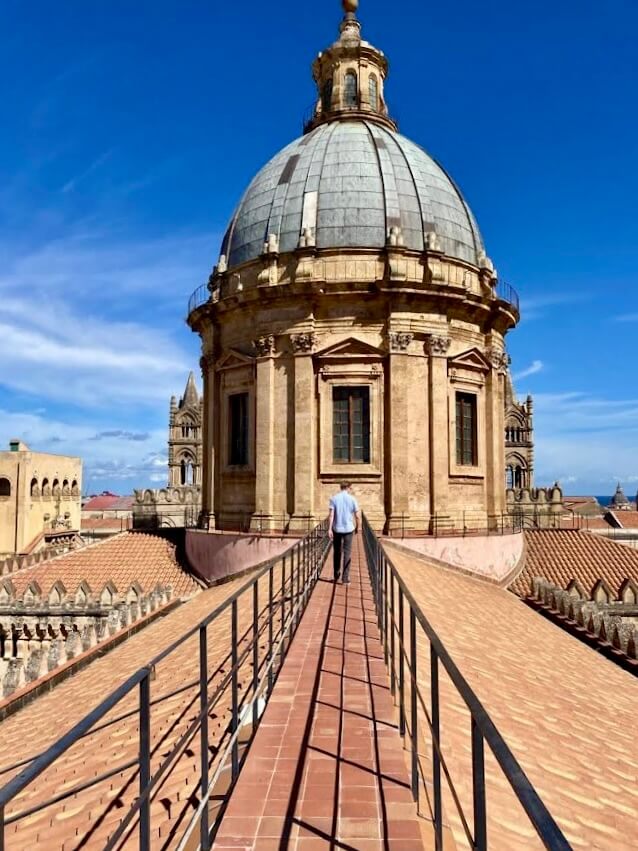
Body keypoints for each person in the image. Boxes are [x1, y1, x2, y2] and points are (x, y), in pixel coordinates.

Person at [328, 482, 361, 584]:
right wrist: (358, 527)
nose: (351, 490)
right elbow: (357, 516)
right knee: (347, 553)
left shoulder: (334, 498)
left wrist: (329, 529)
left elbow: (331, 515)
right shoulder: (352, 499)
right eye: (351, 488)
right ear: (348, 488)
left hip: (336, 529)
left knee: (337, 552)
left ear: (341, 487)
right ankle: (345, 579)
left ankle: (336, 575)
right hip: (348, 529)